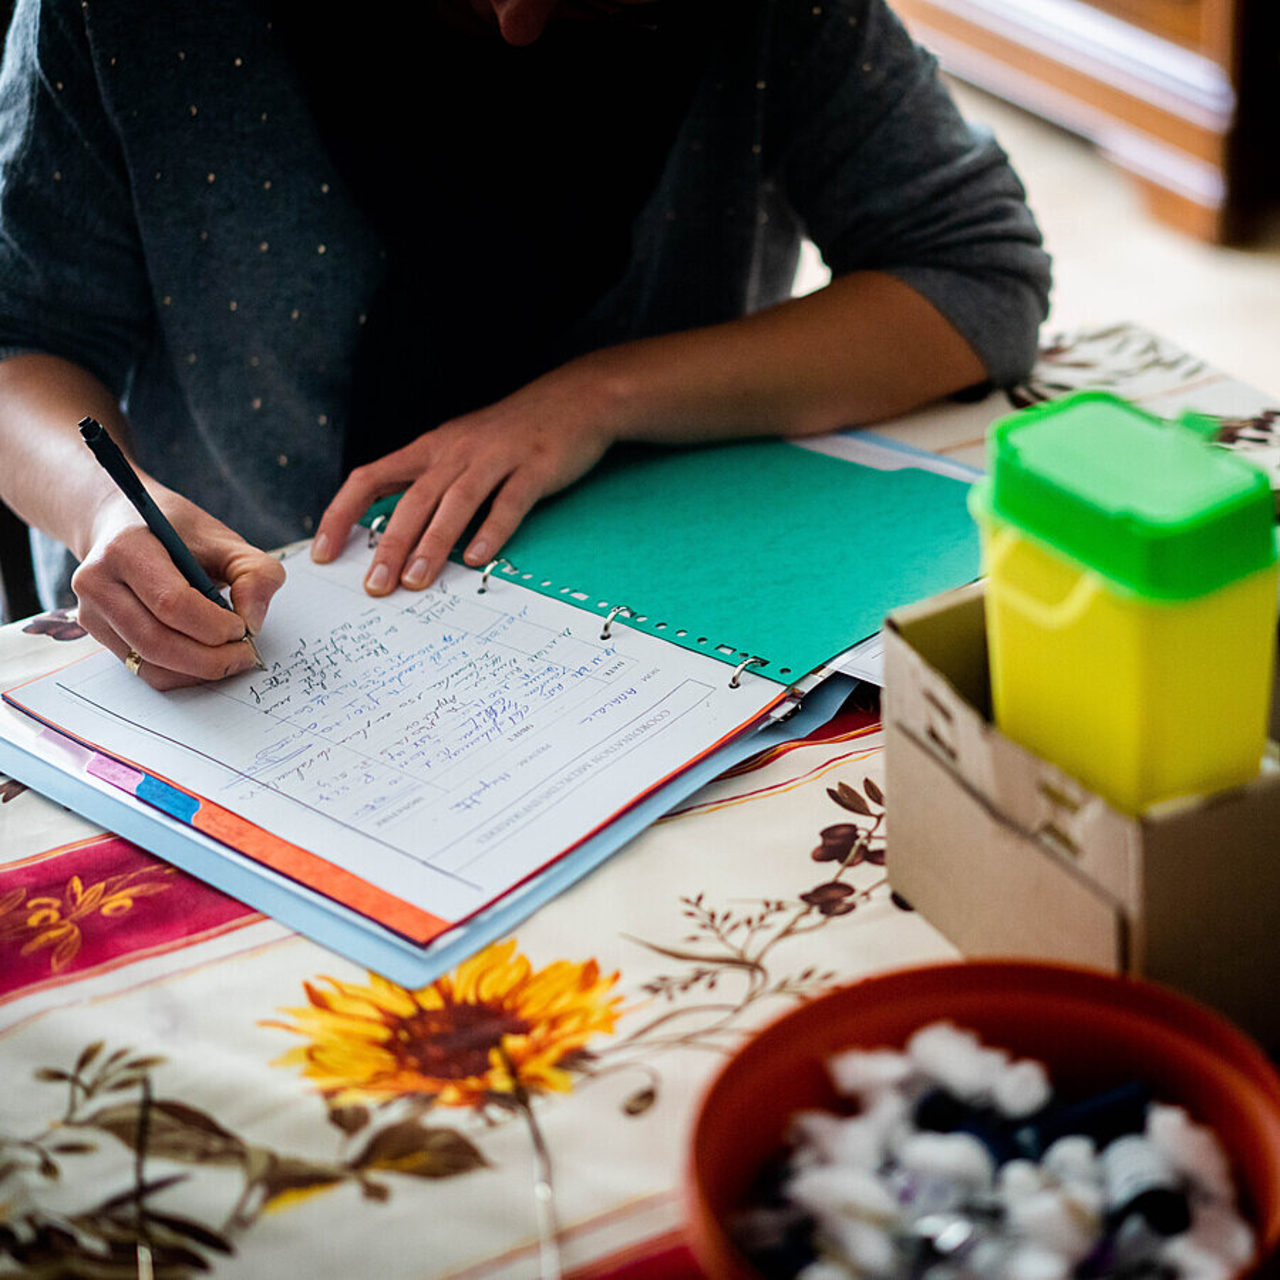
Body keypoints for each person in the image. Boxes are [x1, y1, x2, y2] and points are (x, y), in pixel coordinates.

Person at [0, 0, 1051, 689]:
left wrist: (594, 398)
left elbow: (973, 274)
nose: (514, 20)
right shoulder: (131, 18)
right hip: (234, 633)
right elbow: (20, 337)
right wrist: (104, 505)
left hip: (669, 608)